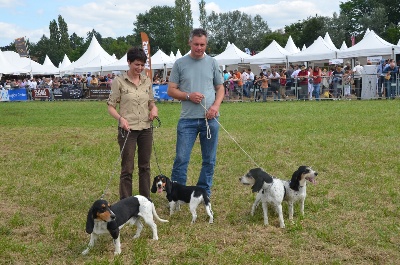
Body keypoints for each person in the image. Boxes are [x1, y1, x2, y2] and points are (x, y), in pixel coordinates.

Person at [167, 28, 224, 197]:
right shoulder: (180, 63)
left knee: (209, 160)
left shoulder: (213, 62)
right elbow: (171, 90)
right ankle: (176, 194)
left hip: (210, 120)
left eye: (203, 45)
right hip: (187, 121)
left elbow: (220, 88)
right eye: (196, 44)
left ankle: (203, 192)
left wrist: (215, 106)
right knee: (181, 159)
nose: (199, 48)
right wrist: (188, 96)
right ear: (190, 43)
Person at [107, 46, 158, 200]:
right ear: (129, 62)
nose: (140, 68)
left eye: (142, 65)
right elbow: (111, 106)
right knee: (127, 168)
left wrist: (154, 109)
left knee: (145, 167)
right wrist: (120, 119)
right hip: (127, 130)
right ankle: (126, 202)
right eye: (137, 64)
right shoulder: (119, 82)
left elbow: (151, 102)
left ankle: (145, 201)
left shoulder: (146, 81)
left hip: (145, 129)